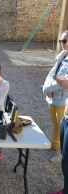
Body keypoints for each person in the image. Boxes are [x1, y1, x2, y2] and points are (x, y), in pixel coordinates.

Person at [43, 30, 68, 164]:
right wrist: (49, 88)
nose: (61, 43)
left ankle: (60, 153)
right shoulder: (62, 56)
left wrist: (49, 88)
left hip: (63, 100)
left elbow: (64, 82)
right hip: (53, 96)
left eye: (64, 41)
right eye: (60, 41)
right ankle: (55, 147)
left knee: (62, 126)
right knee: (55, 124)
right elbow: (52, 74)